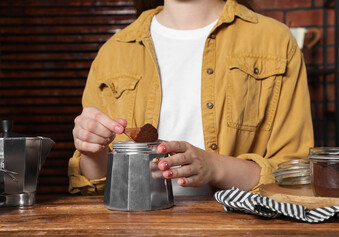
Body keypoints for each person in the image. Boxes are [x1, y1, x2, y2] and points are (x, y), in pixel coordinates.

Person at [68, 0, 314, 196]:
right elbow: (94, 186)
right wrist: (91, 150)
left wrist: (216, 167)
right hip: (136, 229)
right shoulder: (113, 51)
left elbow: (294, 174)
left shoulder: (275, 41)